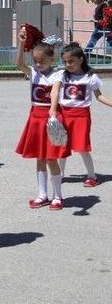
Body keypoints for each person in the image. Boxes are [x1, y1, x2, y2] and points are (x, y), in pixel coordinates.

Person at [14, 27, 66, 209]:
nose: (38, 64)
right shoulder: (33, 73)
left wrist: (53, 109)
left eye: (42, 61)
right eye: (35, 61)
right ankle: (42, 194)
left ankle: (57, 196)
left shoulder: (58, 73)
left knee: (51, 158)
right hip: (35, 117)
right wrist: (21, 43)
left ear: (52, 58)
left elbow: (55, 91)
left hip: (50, 116)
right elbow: (19, 64)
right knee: (39, 158)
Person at [50, 43, 112, 188]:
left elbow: (99, 96)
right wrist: (53, 108)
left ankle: (92, 176)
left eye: (71, 61)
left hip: (81, 116)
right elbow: (55, 91)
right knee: (61, 145)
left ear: (80, 59)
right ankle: (60, 174)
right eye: (65, 61)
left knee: (82, 148)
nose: (67, 64)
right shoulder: (61, 74)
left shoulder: (91, 77)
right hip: (63, 114)